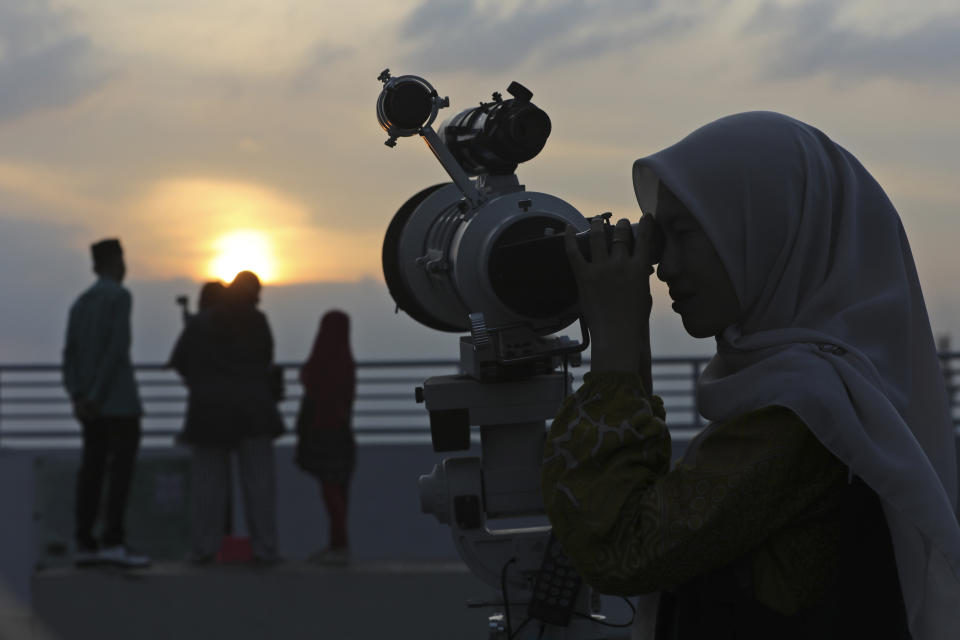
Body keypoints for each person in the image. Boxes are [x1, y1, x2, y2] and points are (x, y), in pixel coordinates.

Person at [542, 112, 960, 639]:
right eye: (658, 236)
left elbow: (621, 547)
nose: (663, 266)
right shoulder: (834, 394)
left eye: (684, 232)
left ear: (766, 231)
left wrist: (617, 342)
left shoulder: (804, 412)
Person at [170, 272, 284, 564]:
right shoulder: (257, 321)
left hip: (209, 413)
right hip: (254, 412)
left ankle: (204, 549)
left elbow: (181, 361)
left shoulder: (200, 323)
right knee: (259, 486)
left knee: (208, 488)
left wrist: (204, 384)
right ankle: (265, 548)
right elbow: (266, 359)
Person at [62, 238, 150, 568]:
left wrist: (78, 395)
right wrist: (98, 396)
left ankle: (84, 540)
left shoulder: (80, 303)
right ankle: (113, 540)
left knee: (92, 471)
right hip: (118, 404)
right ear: (115, 261)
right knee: (119, 474)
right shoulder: (120, 297)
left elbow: (68, 354)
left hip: (89, 406)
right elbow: (117, 349)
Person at [295, 310, 357, 566]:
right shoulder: (346, 360)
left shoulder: (321, 360)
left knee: (330, 490)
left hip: (322, 434)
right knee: (340, 491)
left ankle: (338, 544)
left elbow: (310, 384)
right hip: (342, 434)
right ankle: (338, 543)